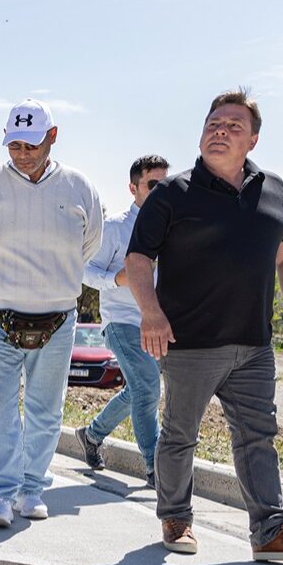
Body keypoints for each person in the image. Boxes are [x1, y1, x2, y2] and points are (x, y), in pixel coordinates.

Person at [125, 89, 283, 562]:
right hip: (190, 343)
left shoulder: (274, 189)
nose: (219, 131)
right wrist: (151, 311)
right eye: (213, 124)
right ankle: (176, 519)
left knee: (258, 436)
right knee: (180, 434)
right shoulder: (172, 193)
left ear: (253, 140)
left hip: (254, 345)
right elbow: (139, 258)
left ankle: (270, 532)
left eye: (233, 126)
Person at [0, 99, 103, 527]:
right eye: (14, 144)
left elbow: (88, 244)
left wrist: (51, 279)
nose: (22, 153)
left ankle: (31, 487)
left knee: (46, 406)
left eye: (31, 144)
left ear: (52, 137)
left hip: (57, 314)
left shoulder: (79, 189)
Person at [77, 155, 169, 487]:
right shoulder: (115, 228)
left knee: (136, 390)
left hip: (158, 324)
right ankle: (155, 468)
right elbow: (85, 271)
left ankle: (91, 434)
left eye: (166, 184)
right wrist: (117, 279)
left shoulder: (171, 227)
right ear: (133, 188)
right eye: (152, 185)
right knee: (147, 387)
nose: (161, 191)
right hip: (122, 322)